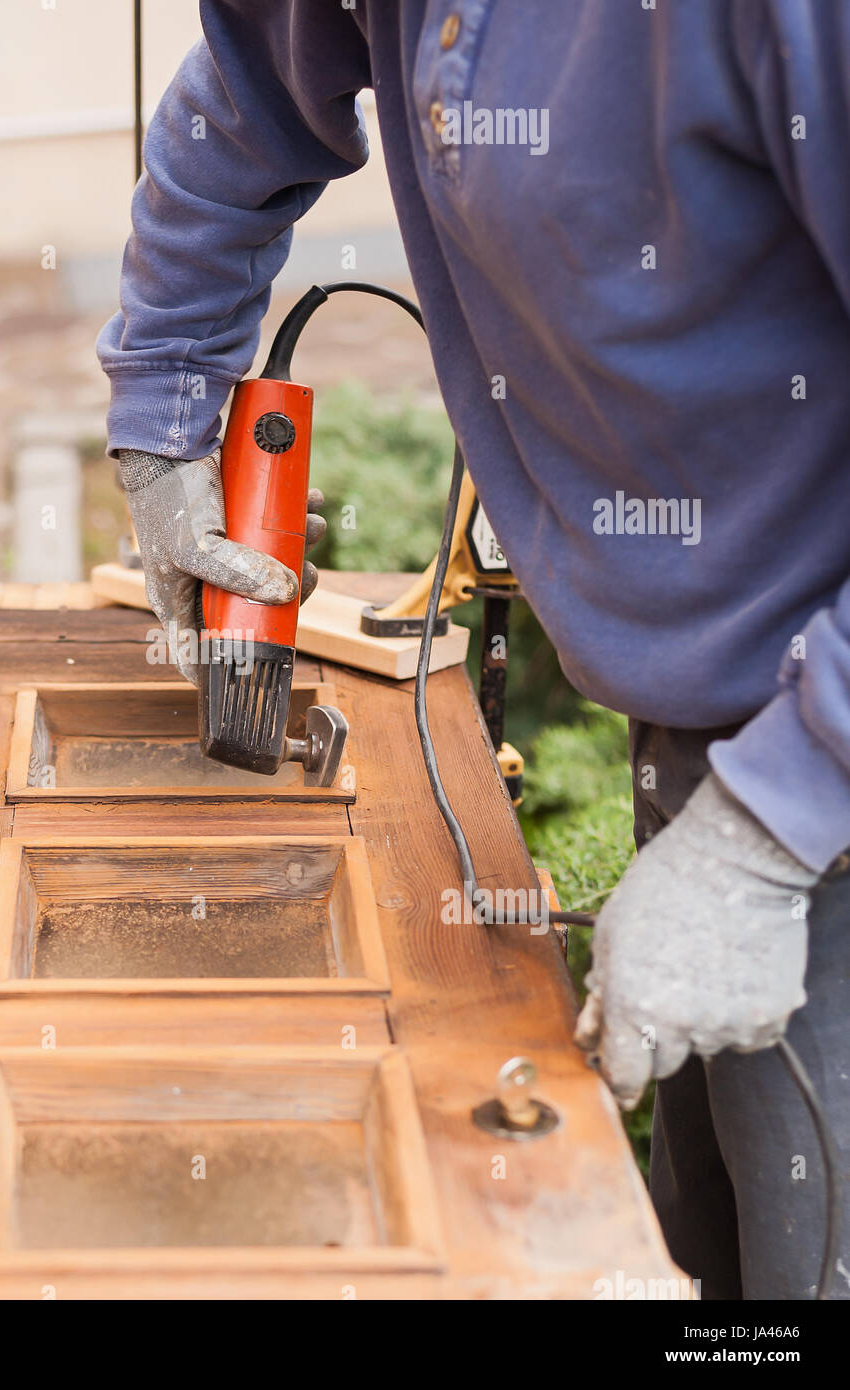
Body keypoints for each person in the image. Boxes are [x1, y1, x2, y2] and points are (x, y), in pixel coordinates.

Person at [96, 2, 850, 1299]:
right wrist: (166, 418)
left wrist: (773, 827)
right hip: (705, 735)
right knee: (704, 1250)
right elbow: (250, 88)